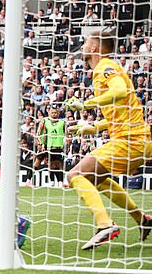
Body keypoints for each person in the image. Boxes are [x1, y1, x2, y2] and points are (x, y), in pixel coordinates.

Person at [66, 31, 152, 250]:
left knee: (75, 174)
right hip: (135, 139)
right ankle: (142, 218)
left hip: (130, 140)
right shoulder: (105, 68)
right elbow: (118, 112)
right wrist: (93, 126)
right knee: (97, 178)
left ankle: (105, 225)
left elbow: (120, 91)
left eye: (86, 42)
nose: (83, 46)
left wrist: (87, 104)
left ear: (94, 48)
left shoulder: (104, 67)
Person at [37, 106, 65, 187]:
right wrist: (42, 144)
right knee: (51, 165)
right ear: (49, 113)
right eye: (52, 113)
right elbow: (43, 134)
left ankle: (60, 182)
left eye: (55, 113)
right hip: (50, 147)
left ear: (58, 113)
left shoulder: (62, 122)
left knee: (60, 165)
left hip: (59, 147)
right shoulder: (46, 122)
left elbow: (66, 133)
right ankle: (52, 181)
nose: (54, 114)